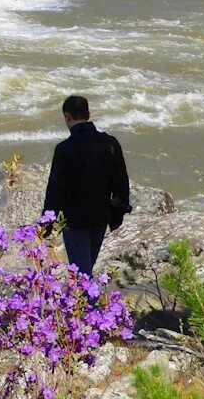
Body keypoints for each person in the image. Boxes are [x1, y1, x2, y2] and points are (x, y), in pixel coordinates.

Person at [41, 94, 131, 277]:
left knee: (82, 275)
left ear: (67, 117)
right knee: (86, 268)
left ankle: (88, 305)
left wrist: (46, 222)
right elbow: (121, 181)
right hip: (100, 217)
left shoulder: (64, 149)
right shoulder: (109, 143)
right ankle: (88, 303)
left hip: (75, 221)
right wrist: (118, 213)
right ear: (88, 114)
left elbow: (55, 189)